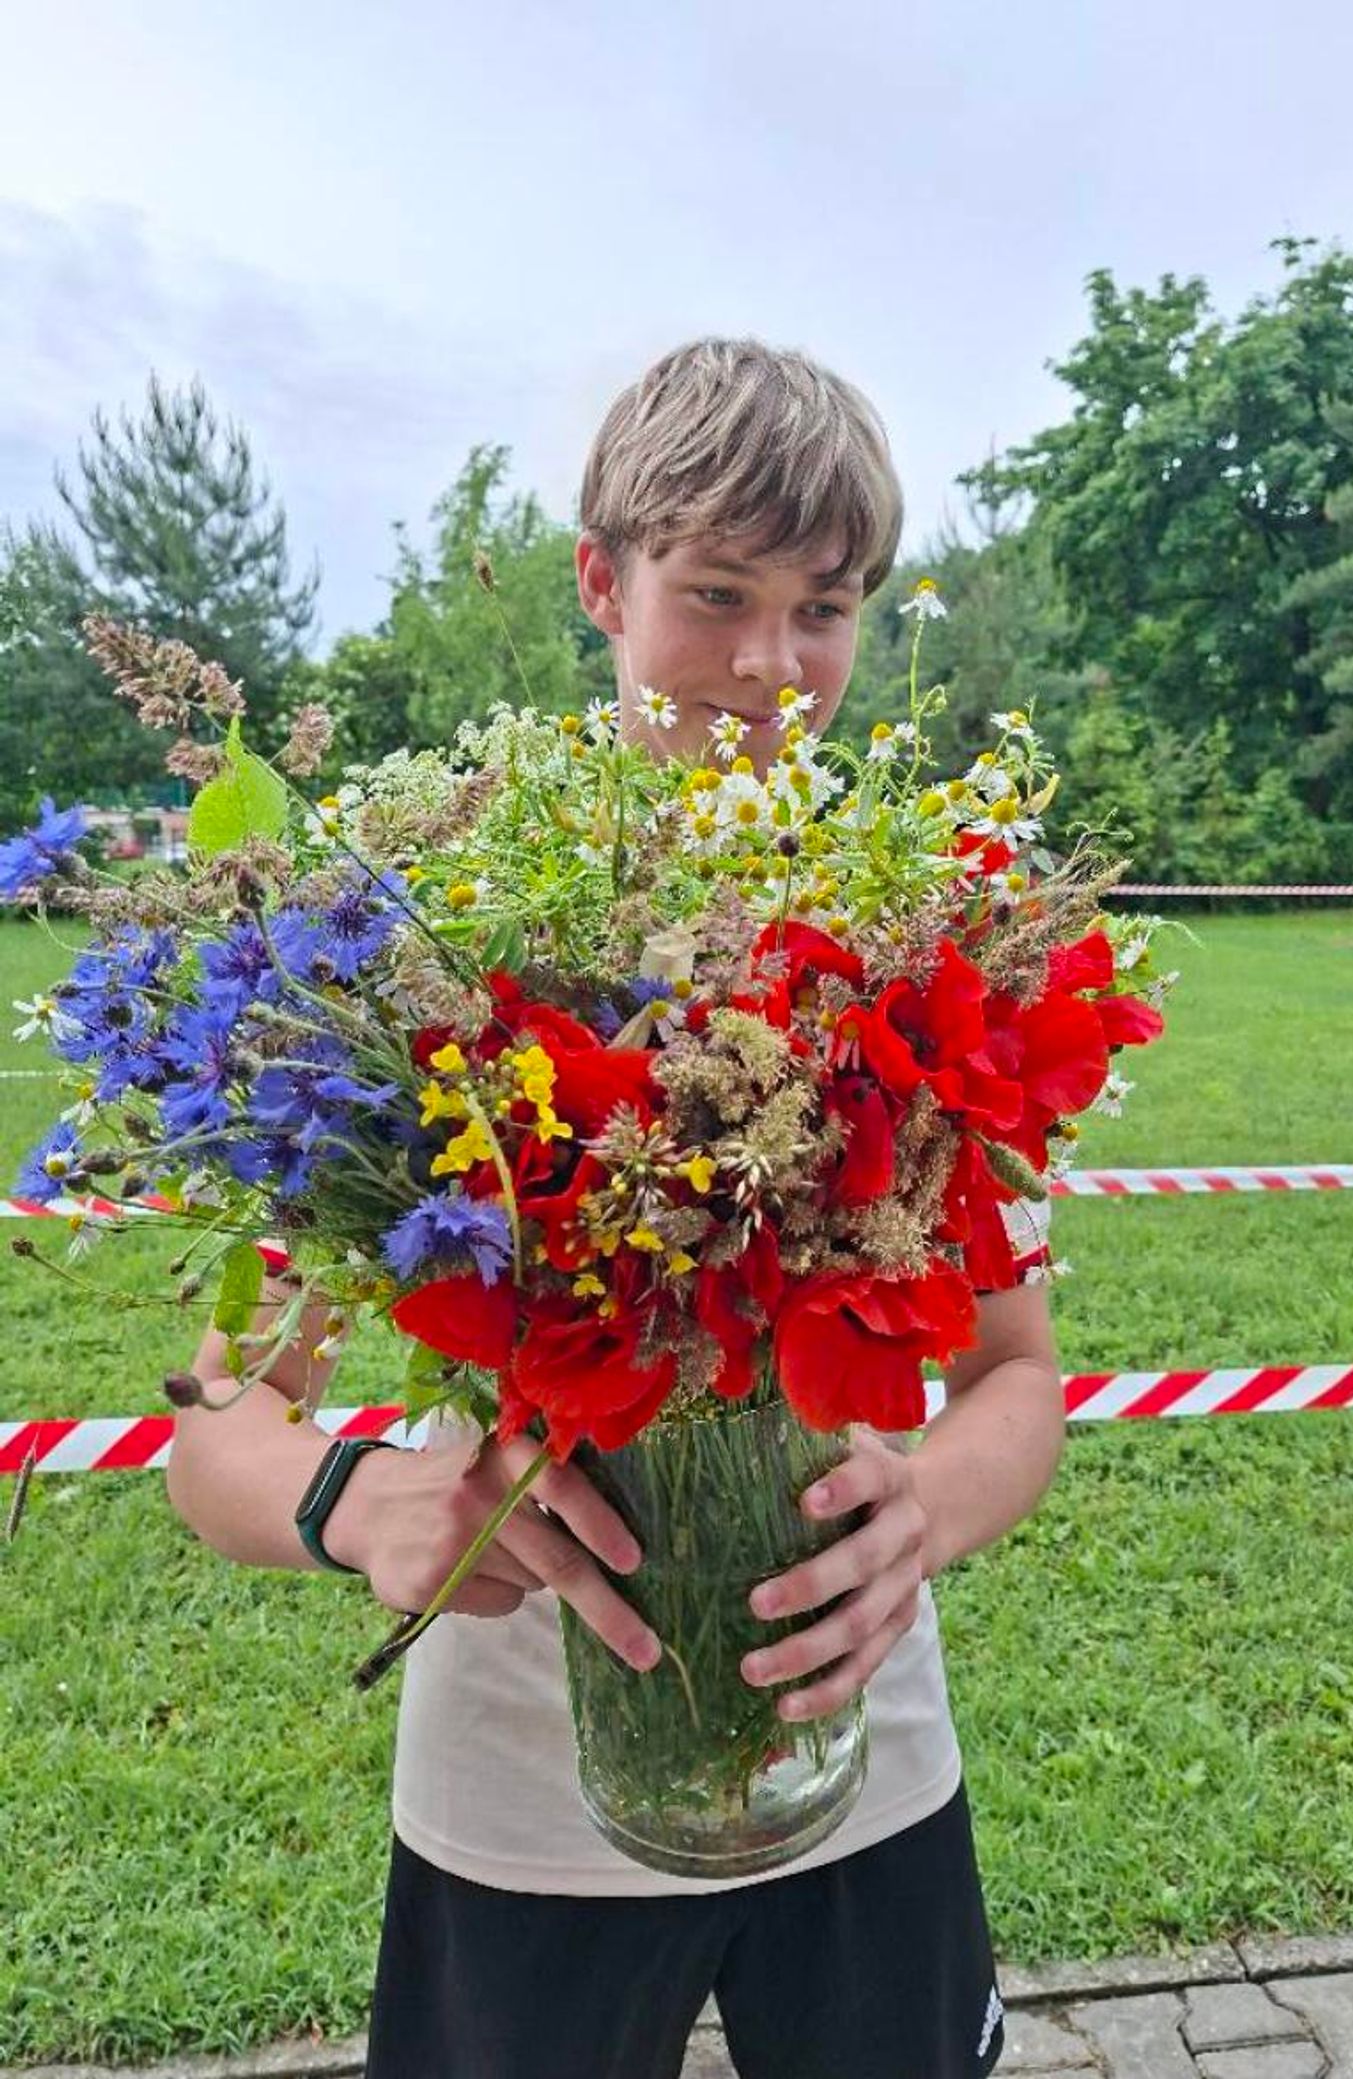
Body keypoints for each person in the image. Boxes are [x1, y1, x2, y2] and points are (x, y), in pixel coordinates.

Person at [168, 337, 1067, 2079]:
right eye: (716, 592)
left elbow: (1014, 1374)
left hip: (862, 1758)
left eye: (824, 608)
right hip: (521, 1802)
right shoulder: (421, 935)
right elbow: (222, 1428)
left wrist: (923, 1516)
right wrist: (359, 1501)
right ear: (601, 580)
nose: (770, 665)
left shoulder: (924, 926)